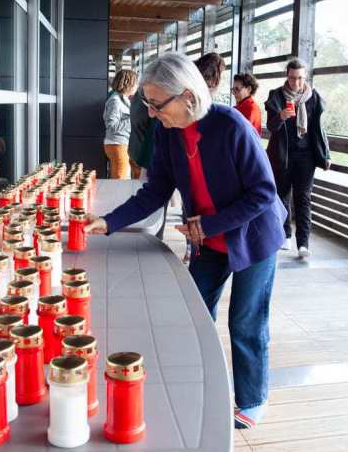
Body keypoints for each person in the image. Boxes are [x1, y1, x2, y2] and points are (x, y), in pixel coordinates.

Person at [84, 52, 286, 430]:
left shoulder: (232, 126)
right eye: (148, 103)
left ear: (188, 97)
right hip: (207, 238)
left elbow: (263, 193)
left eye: (157, 104)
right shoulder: (168, 131)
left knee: (246, 321)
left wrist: (209, 225)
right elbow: (156, 190)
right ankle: (197, 378)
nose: (152, 113)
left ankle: (252, 398)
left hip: (252, 236)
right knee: (192, 312)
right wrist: (109, 221)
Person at [265, 58, 331, 259]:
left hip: (306, 156)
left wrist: (326, 154)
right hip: (282, 154)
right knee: (282, 195)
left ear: (306, 77)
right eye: (292, 78)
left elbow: (319, 129)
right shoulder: (276, 96)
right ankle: (285, 235)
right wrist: (281, 116)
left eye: (300, 78)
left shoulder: (313, 97)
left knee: (303, 198)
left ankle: (303, 244)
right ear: (287, 76)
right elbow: (270, 127)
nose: (296, 83)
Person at [103, 69, 139, 179]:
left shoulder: (123, 99)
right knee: (120, 178)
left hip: (124, 143)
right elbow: (111, 126)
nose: (137, 87)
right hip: (117, 144)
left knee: (135, 174)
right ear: (129, 84)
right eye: (136, 83)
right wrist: (132, 119)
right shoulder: (115, 101)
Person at [128, 86, 157, 180]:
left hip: (136, 150)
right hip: (142, 153)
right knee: (140, 184)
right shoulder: (147, 96)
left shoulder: (139, 95)